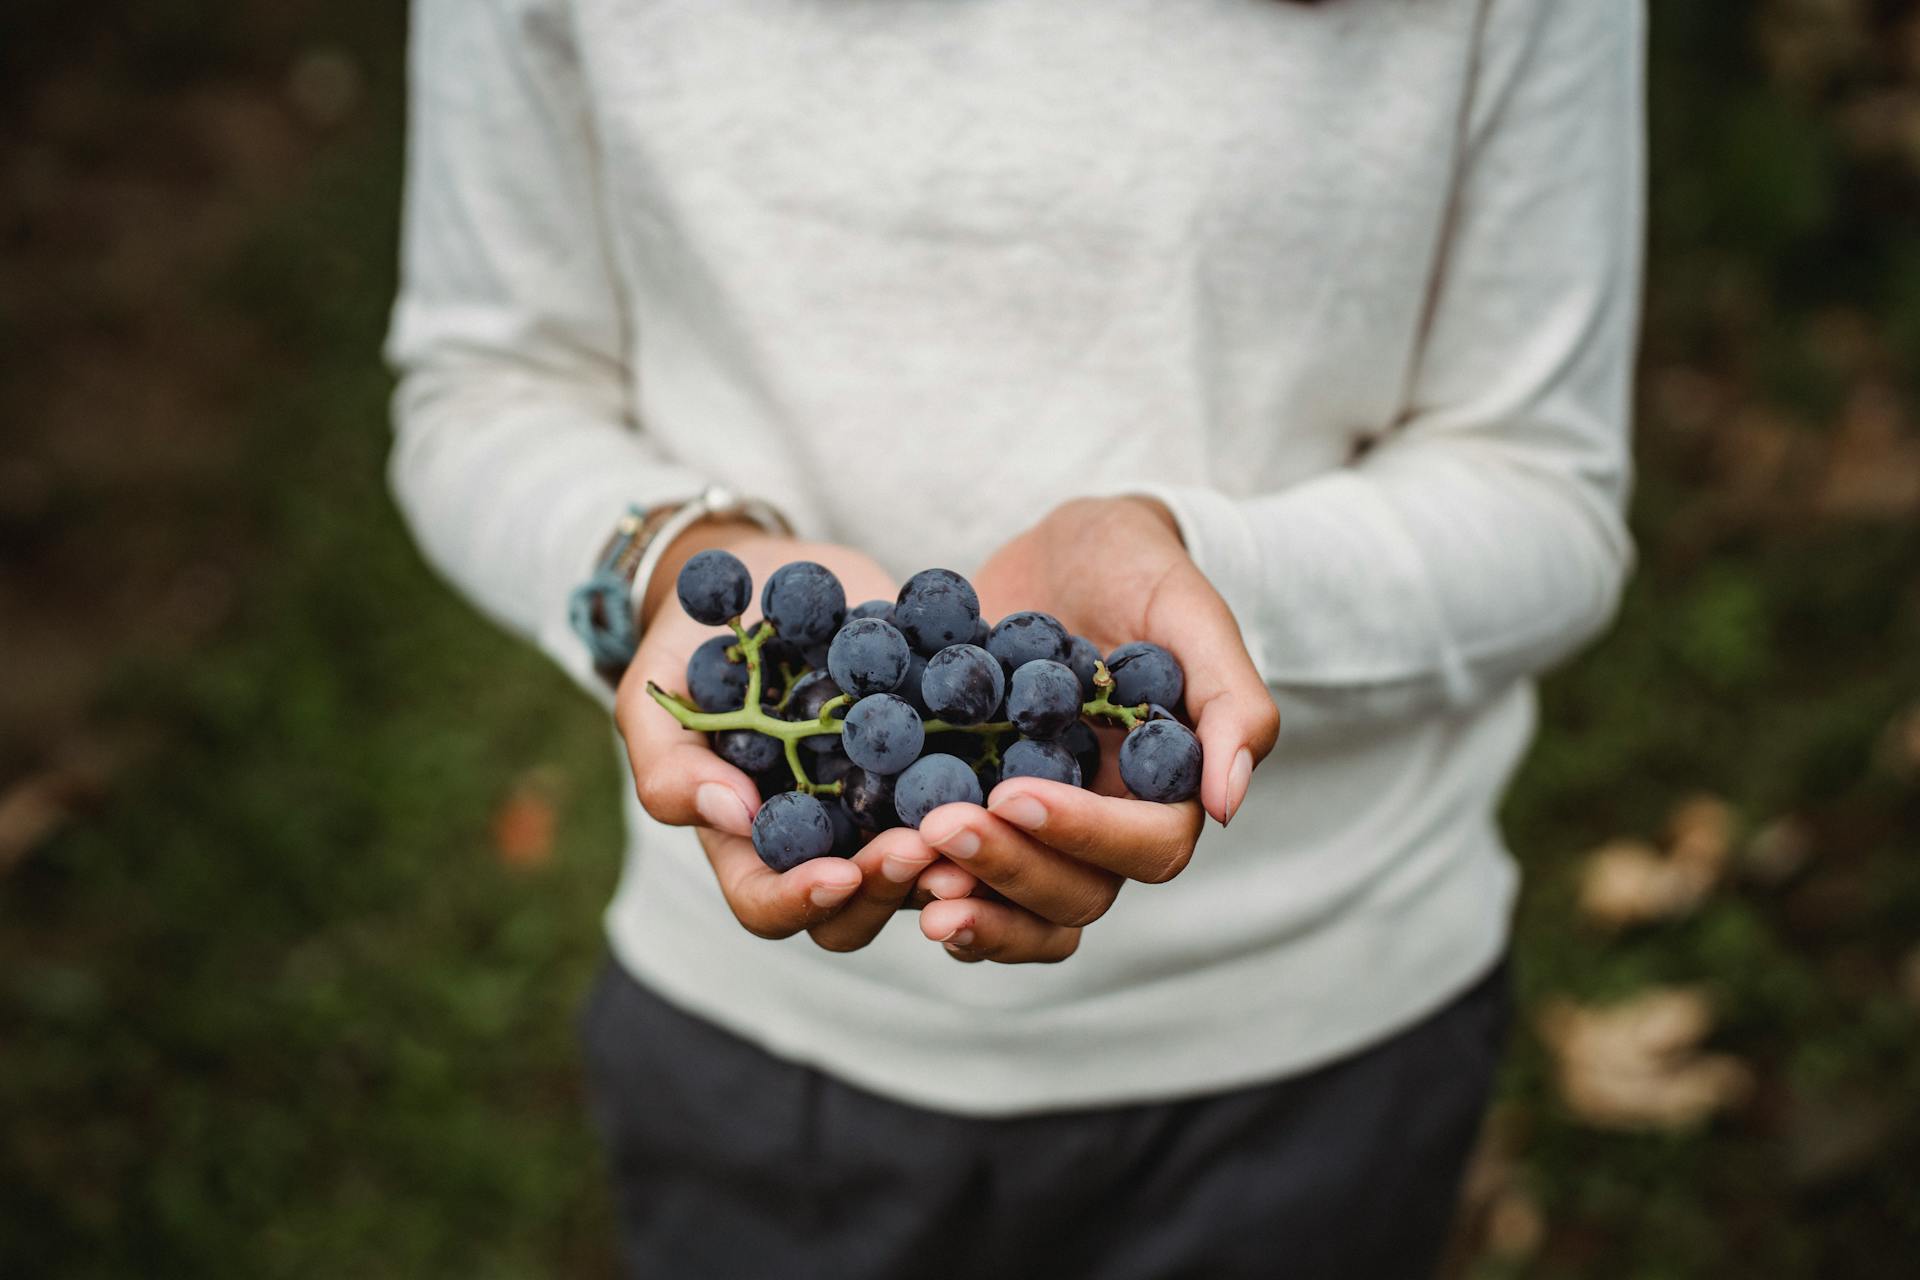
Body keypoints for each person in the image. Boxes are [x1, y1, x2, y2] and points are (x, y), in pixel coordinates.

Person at [386, 0, 1643, 1274]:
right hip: (760, 1051)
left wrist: (1204, 577)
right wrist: (662, 559)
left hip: (1315, 1052)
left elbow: (1545, 492)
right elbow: (483, 387)